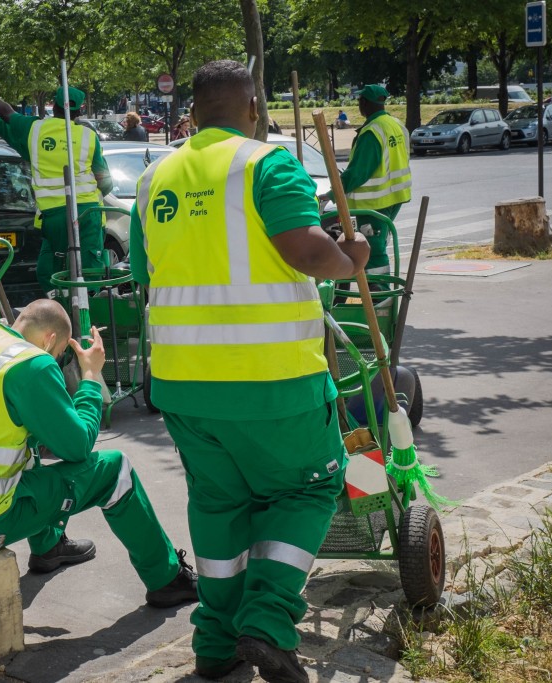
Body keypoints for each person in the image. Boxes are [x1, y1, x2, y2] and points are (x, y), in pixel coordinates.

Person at [131, 60, 370, 682]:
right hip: (273, 382)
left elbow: (142, 274)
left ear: (193, 111)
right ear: (254, 108)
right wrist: (353, 258)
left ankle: (214, 644)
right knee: (308, 488)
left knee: (219, 506)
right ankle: (267, 621)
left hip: (184, 386)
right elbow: (309, 253)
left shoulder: (153, 178)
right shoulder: (268, 164)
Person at [0, 299, 199, 608]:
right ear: (50, 339)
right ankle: (167, 579)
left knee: (22, 444)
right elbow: (78, 446)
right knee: (115, 470)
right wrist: (90, 376)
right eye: (59, 356)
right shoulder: (30, 363)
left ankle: (48, 546)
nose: (56, 361)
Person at [0, 83, 114, 291]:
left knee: (50, 271)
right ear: (79, 110)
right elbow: (105, 182)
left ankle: (58, 308)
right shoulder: (87, 136)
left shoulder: (35, 130)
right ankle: (86, 314)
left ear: (55, 105)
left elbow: (9, 116)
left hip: (53, 215)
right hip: (87, 213)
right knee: (88, 272)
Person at [321, 85, 411, 278]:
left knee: (373, 250)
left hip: (373, 202)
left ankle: (380, 298)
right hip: (394, 197)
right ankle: (379, 297)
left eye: (360, 101)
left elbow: (357, 173)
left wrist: (331, 195)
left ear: (365, 103)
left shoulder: (372, 132)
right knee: (376, 245)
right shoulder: (395, 124)